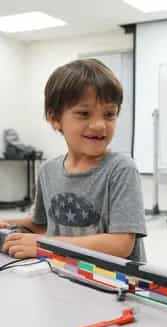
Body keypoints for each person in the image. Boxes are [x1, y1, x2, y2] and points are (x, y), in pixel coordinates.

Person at [1, 59, 147, 261]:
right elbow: (43, 223)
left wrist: (45, 245)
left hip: (115, 284)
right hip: (66, 274)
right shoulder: (48, 170)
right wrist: (7, 222)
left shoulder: (121, 169)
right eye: (84, 114)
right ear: (55, 119)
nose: (99, 125)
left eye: (109, 114)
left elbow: (121, 243)